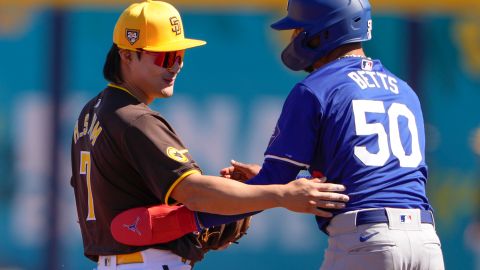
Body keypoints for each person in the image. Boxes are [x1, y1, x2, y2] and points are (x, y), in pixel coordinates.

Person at [112, 0, 446, 269]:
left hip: (367, 242)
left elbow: (272, 183)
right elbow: (372, 176)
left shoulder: (316, 89)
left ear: (320, 34)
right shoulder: (404, 91)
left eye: (299, 28)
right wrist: (284, 183)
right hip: (427, 244)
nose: (293, 36)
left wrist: (189, 220)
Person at [70, 1, 350, 269]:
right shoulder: (135, 118)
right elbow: (193, 192)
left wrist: (239, 197)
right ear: (127, 55)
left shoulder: (90, 113)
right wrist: (281, 194)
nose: (176, 66)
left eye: (180, 56)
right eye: (165, 56)